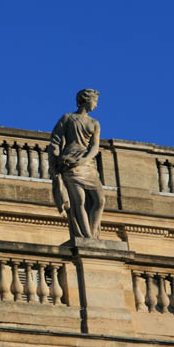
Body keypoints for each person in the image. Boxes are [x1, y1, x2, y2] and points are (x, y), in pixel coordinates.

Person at [48, 89, 105, 239]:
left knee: (100, 201)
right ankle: (86, 236)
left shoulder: (94, 123)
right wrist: (55, 162)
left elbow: (95, 146)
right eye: (95, 101)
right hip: (70, 162)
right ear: (86, 100)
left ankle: (93, 233)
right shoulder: (68, 118)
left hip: (87, 163)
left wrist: (84, 159)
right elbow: (56, 141)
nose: (96, 105)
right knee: (79, 201)